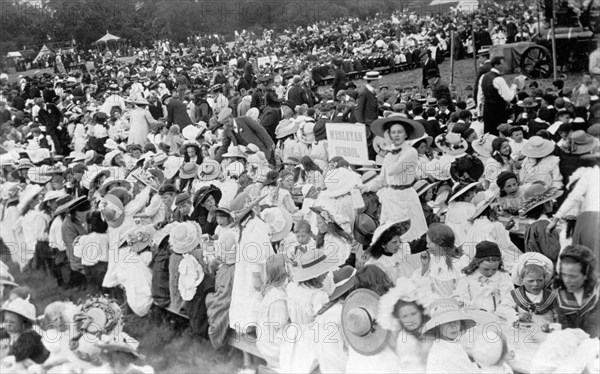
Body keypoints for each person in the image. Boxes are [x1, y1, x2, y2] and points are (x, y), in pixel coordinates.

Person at [360, 117, 428, 241]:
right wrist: (365, 187)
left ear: (406, 134)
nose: (396, 135)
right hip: (390, 197)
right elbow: (382, 179)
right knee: (388, 236)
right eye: (393, 132)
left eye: (399, 132)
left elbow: (393, 170)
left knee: (407, 235)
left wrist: (389, 148)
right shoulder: (389, 155)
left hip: (405, 196)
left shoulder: (410, 152)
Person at [453, 241, 514, 313]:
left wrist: (501, 311)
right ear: (477, 263)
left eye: (494, 269)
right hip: (473, 315)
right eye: (486, 269)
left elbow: (508, 299)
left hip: (497, 316)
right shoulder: (468, 277)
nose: (490, 273)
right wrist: (469, 307)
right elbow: (461, 296)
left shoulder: (503, 277)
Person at [554, 245, 599, 338]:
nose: (566, 280)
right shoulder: (560, 297)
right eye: (564, 275)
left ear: (586, 274)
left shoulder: (597, 292)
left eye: (573, 276)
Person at [424, 298, 479, 373]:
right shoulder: (443, 350)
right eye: (447, 322)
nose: (453, 326)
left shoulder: (452, 345)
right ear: (438, 327)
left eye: (455, 321)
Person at [416, 223, 470, 298]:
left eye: (429, 243)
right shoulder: (432, 258)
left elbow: (463, 292)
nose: (427, 246)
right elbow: (425, 286)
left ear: (440, 244)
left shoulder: (460, 262)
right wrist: (425, 266)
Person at [503, 253, 557, 327]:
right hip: (524, 334)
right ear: (522, 280)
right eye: (531, 281)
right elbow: (502, 309)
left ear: (545, 279)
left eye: (540, 280)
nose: (536, 284)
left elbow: (561, 317)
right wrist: (517, 315)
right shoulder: (516, 295)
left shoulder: (552, 297)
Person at [256, 253, 289, 370]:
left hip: (264, 340)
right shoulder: (278, 298)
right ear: (283, 272)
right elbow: (280, 326)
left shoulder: (271, 290)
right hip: (272, 348)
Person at [479, 57, 522, 135]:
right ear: (496, 65)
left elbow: (481, 94)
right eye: (502, 64)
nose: (505, 66)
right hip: (498, 112)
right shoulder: (498, 79)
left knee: (489, 133)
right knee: (499, 134)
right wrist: (514, 85)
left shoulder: (484, 76)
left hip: (487, 110)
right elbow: (508, 97)